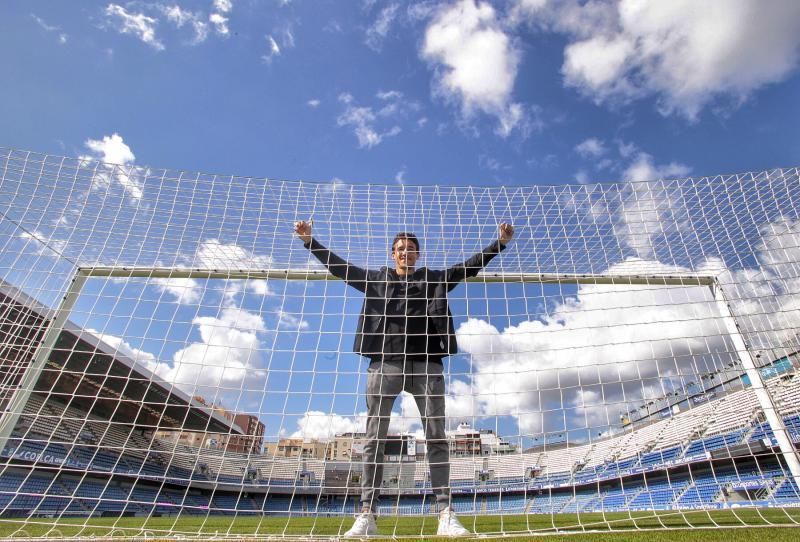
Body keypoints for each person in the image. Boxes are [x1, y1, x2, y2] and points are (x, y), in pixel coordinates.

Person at [294, 220, 514, 537]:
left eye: (410, 250)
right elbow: (340, 268)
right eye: (400, 250)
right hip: (384, 364)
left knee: (436, 437)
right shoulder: (376, 279)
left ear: (418, 255)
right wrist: (309, 241)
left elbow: (469, 267)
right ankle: (367, 514)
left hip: (427, 365)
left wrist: (500, 243)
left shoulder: (434, 279)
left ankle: (445, 514)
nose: (405, 254)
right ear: (393, 254)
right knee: (374, 439)